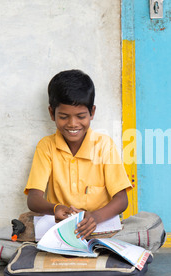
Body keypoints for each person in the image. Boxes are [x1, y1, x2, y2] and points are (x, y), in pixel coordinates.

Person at [24, 69, 132, 240]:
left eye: (81, 116)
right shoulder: (46, 147)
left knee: (148, 225)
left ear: (92, 112)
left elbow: (121, 199)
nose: (72, 124)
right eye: (64, 117)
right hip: (61, 227)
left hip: (100, 226)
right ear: (52, 113)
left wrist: (95, 217)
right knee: (8, 235)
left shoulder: (104, 145)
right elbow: (33, 199)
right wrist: (56, 209)